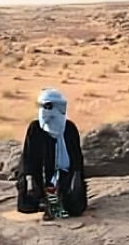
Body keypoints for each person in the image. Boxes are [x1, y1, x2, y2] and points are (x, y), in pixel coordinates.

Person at [16, 88, 87, 219]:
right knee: (27, 204)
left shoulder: (69, 128)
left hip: (64, 174)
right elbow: (28, 158)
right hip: (39, 175)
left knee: (75, 207)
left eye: (48, 106)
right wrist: (29, 180)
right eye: (42, 106)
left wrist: (76, 179)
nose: (45, 111)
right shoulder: (35, 128)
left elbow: (77, 159)